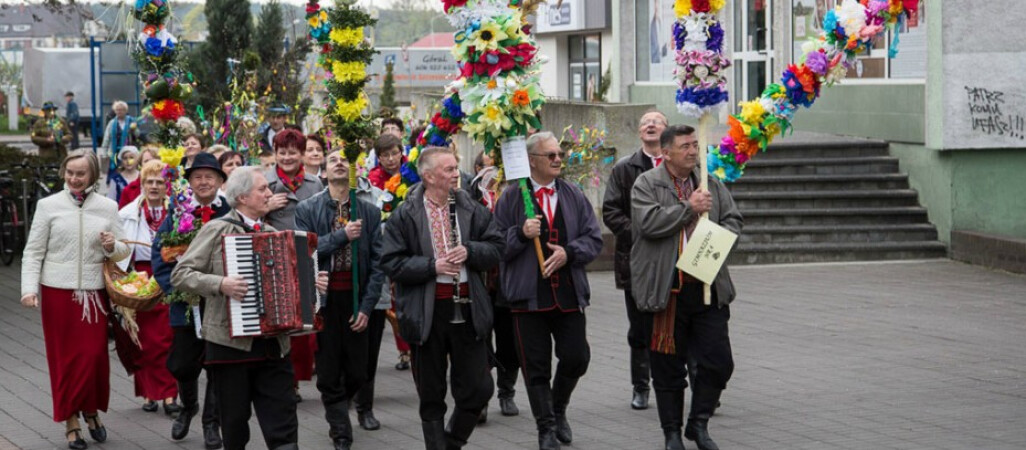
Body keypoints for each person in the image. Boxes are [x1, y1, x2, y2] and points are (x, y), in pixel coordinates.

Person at [381, 147, 503, 450]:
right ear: (429, 176)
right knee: (431, 393)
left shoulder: (470, 207)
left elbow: (497, 245)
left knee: (479, 388)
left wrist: (470, 251)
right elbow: (391, 262)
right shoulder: (406, 213)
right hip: (427, 312)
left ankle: (452, 442)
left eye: (455, 168)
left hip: (468, 308)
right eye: (448, 169)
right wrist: (431, 266)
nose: (456, 174)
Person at [171, 166, 300, 450]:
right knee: (234, 425)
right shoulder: (217, 229)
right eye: (263, 189)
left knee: (284, 423)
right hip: (230, 346)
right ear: (242, 197)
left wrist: (313, 284)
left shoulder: (273, 233)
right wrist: (221, 284)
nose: (270, 193)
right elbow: (181, 274)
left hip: (273, 344)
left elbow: (290, 285)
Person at [630, 125, 743, 450]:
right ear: (666, 153)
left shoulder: (709, 181)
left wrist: (718, 240)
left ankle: (699, 422)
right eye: (686, 146)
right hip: (666, 291)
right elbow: (648, 224)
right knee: (667, 369)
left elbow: (734, 219)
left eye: (695, 145)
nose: (694, 151)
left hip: (707, 285)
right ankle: (672, 434)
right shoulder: (647, 184)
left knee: (719, 363)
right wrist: (688, 209)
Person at [493, 131, 604, 450]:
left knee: (577, 357)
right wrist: (521, 233)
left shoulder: (573, 193)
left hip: (568, 293)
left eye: (559, 154)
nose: (558, 159)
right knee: (536, 365)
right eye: (550, 155)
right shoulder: (513, 196)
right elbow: (496, 245)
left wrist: (569, 252)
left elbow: (593, 238)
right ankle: (545, 429)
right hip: (528, 297)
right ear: (531, 161)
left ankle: (558, 409)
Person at [20, 150, 131, 450]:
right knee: (64, 361)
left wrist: (112, 245)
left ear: (93, 176)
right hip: (57, 293)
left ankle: (91, 410)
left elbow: (124, 250)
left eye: (81, 173)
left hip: (94, 294)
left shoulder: (108, 207)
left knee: (94, 357)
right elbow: (33, 252)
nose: (74, 178)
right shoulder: (48, 206)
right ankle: (71, 420)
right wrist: (29, 288)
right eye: (70, 172)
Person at [295, 151, 385, 450]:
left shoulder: (370, 212)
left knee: (359, 371)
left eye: (345, 159)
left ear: (355, 169)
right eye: (332, 158)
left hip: (356, 298)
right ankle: (340, 428)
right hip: (325, 298)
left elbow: (377, 264)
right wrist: (342, 236)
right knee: (329, 368)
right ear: (323, 169)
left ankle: (340, 406)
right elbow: (304, 250)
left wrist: (367, 307)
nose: (339, 162)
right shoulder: (308, 207)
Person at [152, 152, 230, 449]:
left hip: (220, 302)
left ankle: (212, 423)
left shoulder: (230, 211)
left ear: (220, 181)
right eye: (197, 176)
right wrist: (173, 291)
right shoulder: (177, 212)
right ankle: (188, 406)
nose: (204, 181)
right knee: (182, 364)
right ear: (190, 182)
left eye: (210, 176)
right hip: (185, 304)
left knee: (217, 363)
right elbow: (160, 255)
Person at [601, 110, 669, 411]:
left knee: (677, 325)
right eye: (644, 122)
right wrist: (643, 236)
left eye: (656, 121)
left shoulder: (677, 165)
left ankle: (682, 381)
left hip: (674, 259)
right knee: (640, 329)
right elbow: (611, 211)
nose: (650, 124)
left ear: (667, 132)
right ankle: (641, 386)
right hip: (636, 260)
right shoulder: (625, 168)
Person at [263, 128, 324, 401]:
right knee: (281, 321)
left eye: (292, 153)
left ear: (302, 154)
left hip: (306, 258)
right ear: (275, 154)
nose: (287, 158)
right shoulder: (264, 183)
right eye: (282, 152)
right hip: (275, 261)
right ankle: (285, 380)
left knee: (305, 322)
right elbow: (249, 218)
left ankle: (299, 377)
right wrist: (266, 207)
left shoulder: (314, 184)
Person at [117, 159, 181, 416]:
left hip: (168, 276)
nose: (154, 186)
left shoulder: (178, 213)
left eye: (159, 182)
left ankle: (168, 394)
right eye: (149, 182)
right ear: (141, 185)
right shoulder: (126, 214)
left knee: (167, 338)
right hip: (140, 279)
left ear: (168, 186)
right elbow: (120, 252)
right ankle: (147, 393)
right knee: (142, 339)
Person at [469, 150, 519, 417]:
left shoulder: (520, 185)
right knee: (481, 338)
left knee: (511, 340)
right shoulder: (474, 188)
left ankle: (507, 390)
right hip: (481, 276)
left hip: (510, 277)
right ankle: (483, 396)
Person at [100, 101, 138, 176]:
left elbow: (137, 135)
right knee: (115, 176)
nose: (119, 111)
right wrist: (104, 153)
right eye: (117, 110)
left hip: (128, 153)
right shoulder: (111, 123)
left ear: (125, 111)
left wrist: (134, 129)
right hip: (114, 154)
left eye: (121, 110)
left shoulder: (131, 121)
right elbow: (106, 139)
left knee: (128, 175)